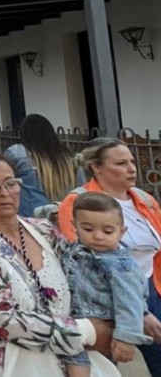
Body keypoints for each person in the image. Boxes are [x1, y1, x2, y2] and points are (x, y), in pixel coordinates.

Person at [0, 153, 121, 377]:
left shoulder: (43, 229)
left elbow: (84, 273)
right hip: (23, 365)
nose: (4, 193)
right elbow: (6, 320)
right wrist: (89, 331)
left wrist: (131, 309)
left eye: (11, 183)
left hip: (79, 361)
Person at [58, 138, 161, 375]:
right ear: (97, 167)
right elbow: (81, 258)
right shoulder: (78, 202)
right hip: (104, 297)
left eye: (132, 162)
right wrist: (136, 312)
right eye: (121, 163)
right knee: (104, 365)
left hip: (151, 286)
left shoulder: (144, 199)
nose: (131, 168)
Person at [60, 192, 153, 377]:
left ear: (122, 231)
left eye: (108, 231)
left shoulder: (121, 266)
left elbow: (130, 303)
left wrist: (125, 339)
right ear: (75, 227)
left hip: (103, 328)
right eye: (88, 229)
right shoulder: (78, 250)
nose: (98, 236)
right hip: (75, 325)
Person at [5, 114, 84, 217]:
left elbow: (3, 181)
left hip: (30, 219)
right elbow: (81, 190)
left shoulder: (16, 153)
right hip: (63, 217)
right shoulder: (70, 158)